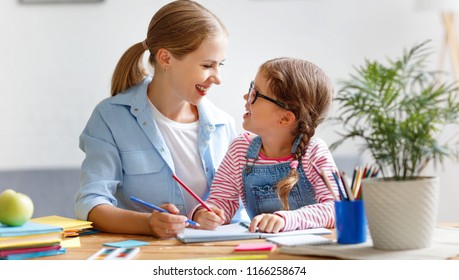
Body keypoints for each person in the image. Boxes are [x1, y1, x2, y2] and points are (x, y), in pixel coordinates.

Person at [75, 0, 238, 238]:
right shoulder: (110, 117)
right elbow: (90, 203)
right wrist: (148, 223)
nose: (217, 77)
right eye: (207, 65)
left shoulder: (224, 125)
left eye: (220, 65)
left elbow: (240, 205)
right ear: (165, 59)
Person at [192, 57, 339, 233]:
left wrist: (285, 220)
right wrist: (205, 213)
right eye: (251, 88)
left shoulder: (313, 152)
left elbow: (335, 209)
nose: (246, 96)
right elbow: (221, 201)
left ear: (285, 118)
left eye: (256, 94)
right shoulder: (241, 149)